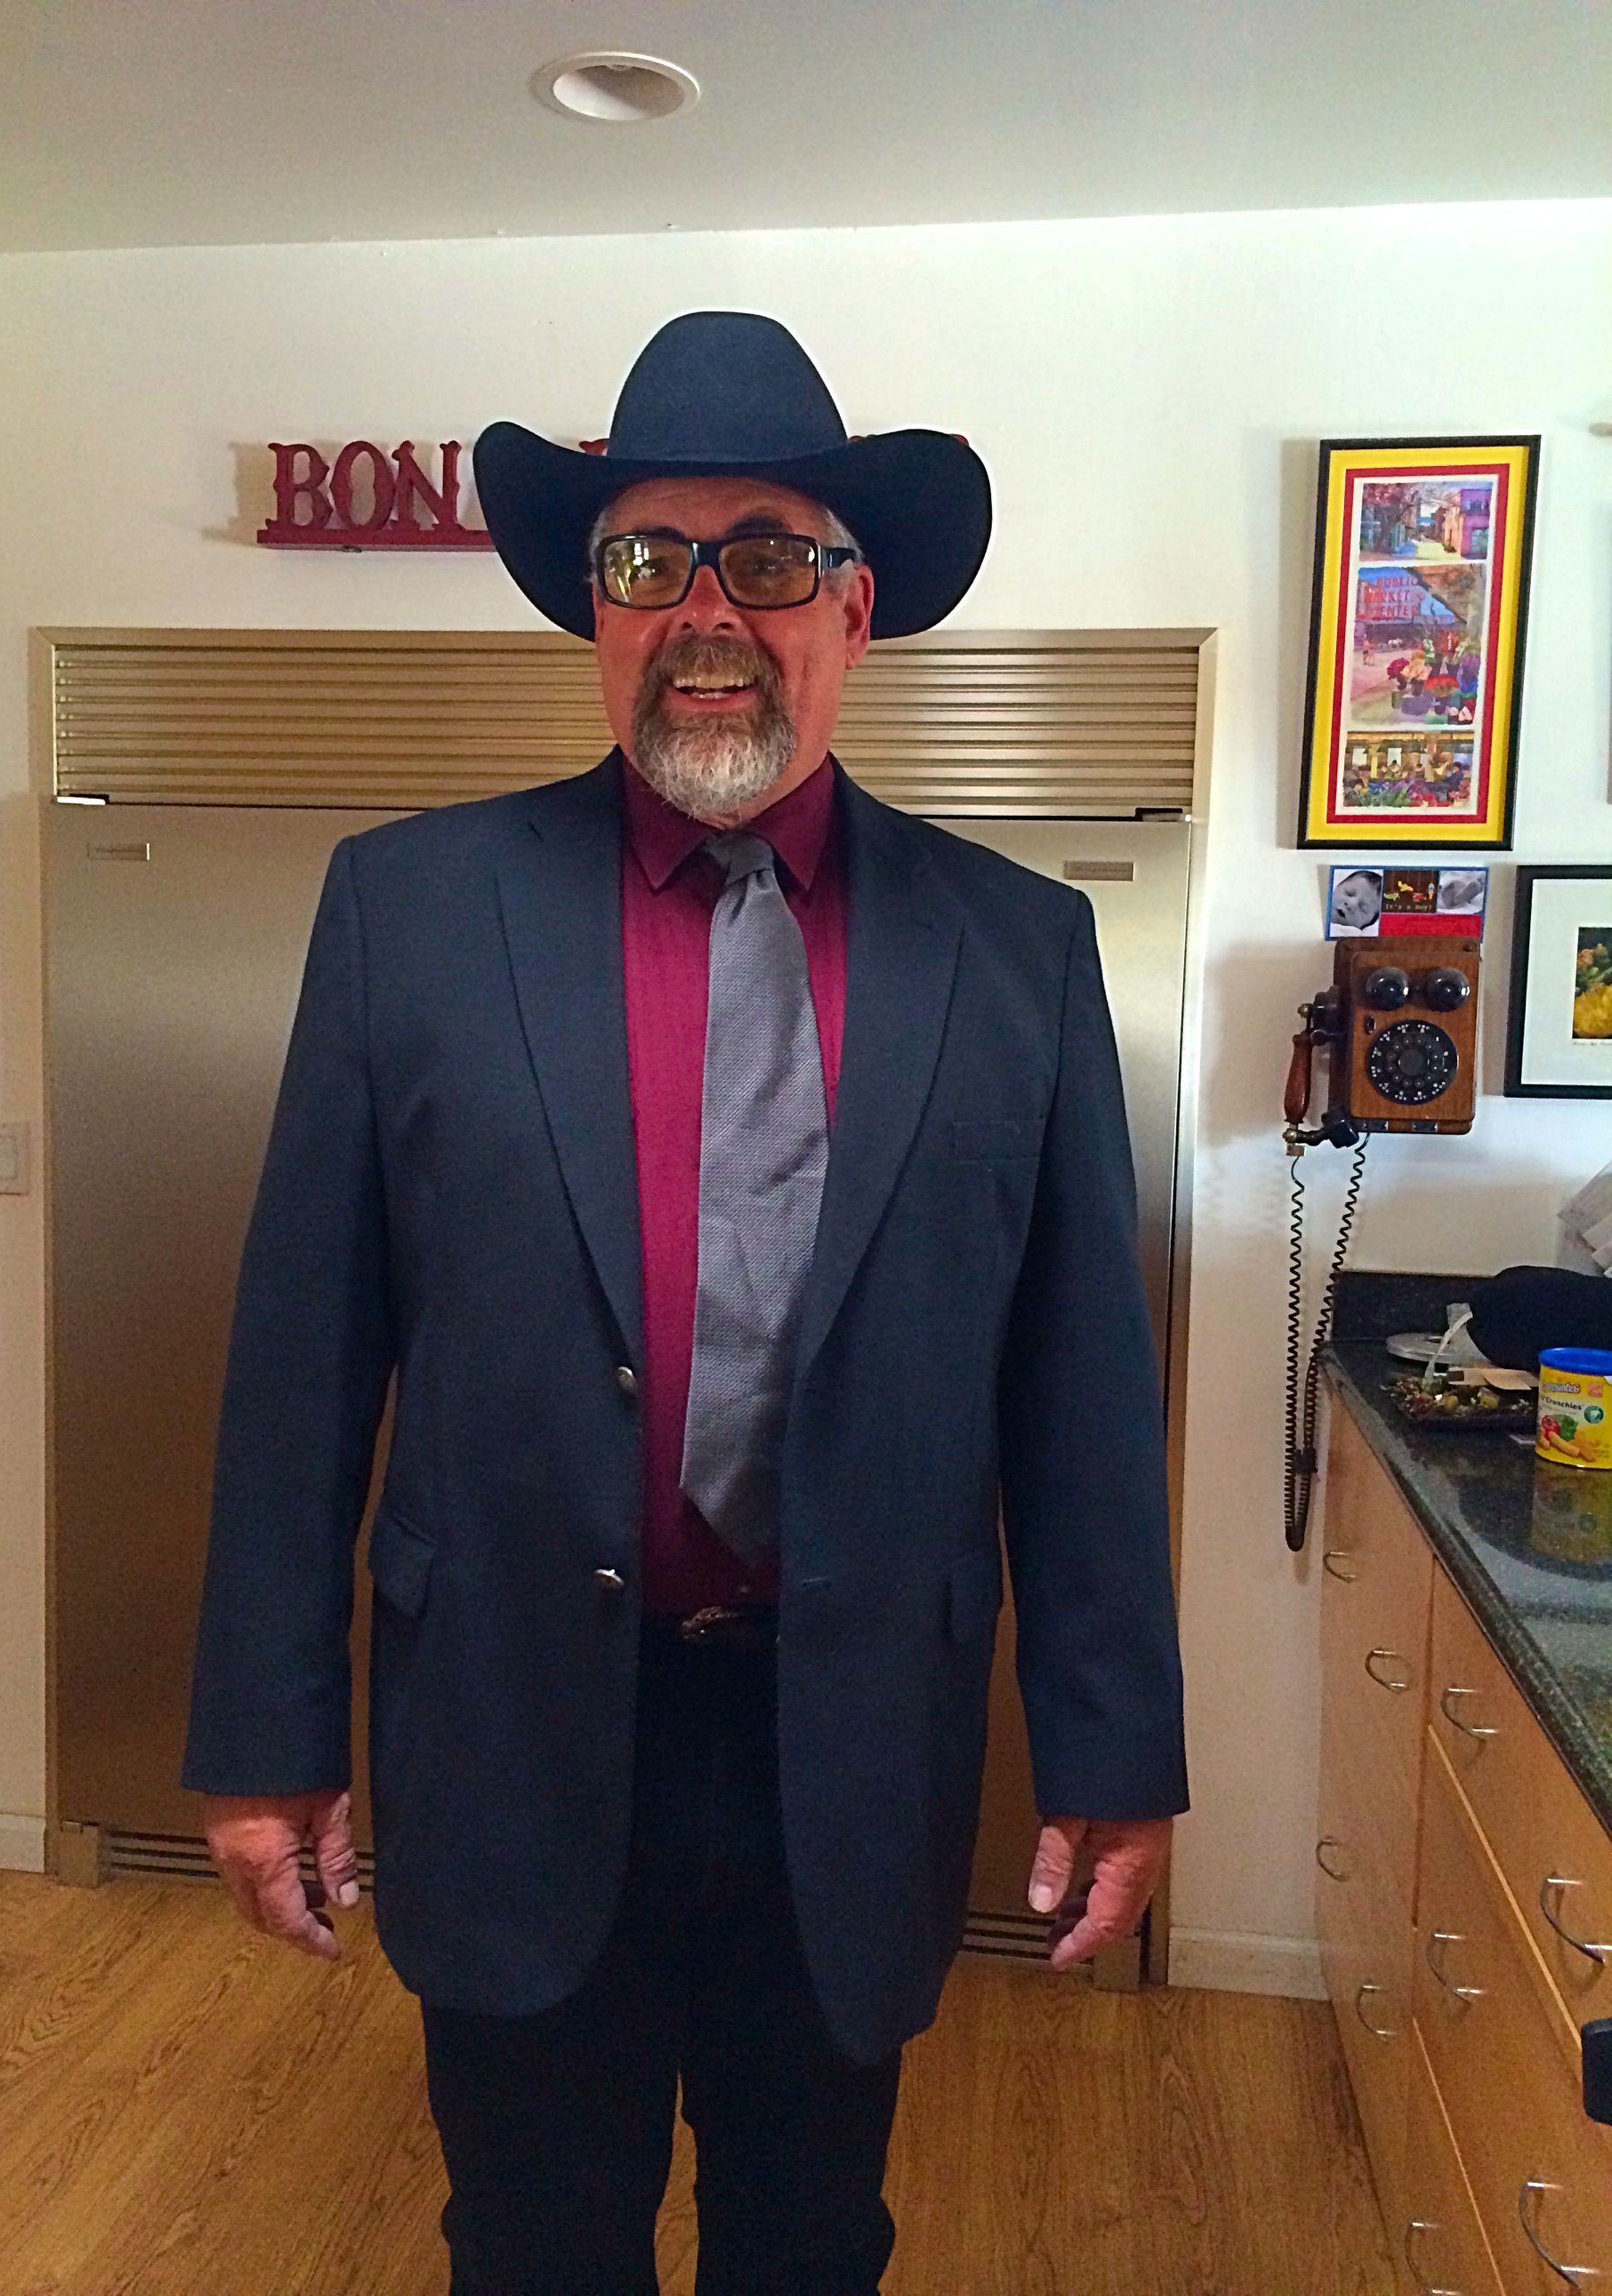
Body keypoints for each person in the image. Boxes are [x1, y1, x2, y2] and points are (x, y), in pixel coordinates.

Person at [181, 310, 1188, 2296]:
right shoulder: (409, 914)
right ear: (594, 606)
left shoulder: (1018, 950)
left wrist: (1113, 1747)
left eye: (769, 556)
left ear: (854, 606)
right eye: (650, 557)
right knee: (532, 2244)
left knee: (809, 2242)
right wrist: (263, 1731)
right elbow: (301, 1360)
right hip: (508, 1724)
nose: (706, 610)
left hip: (850, 1740)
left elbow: (1076, 1396)